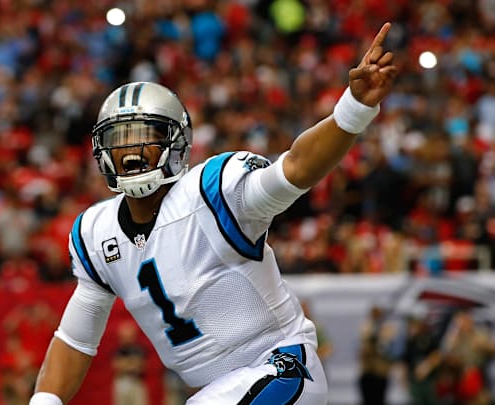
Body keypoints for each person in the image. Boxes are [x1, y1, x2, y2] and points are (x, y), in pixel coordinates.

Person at [30, 22, 397, 405]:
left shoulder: (214, 192)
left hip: (281, 368)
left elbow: (297, 168)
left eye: (145, 135)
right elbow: (75, 339)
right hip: (216, 392)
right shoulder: (96, 233)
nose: (131, 150)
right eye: (119, 139)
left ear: (174, 143)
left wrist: (353, 110)